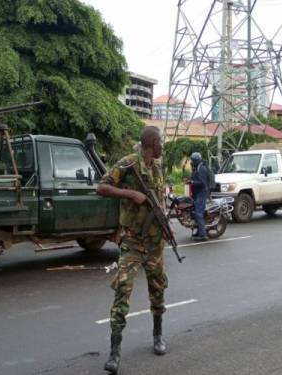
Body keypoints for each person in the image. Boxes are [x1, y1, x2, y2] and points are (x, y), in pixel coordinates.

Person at [97, 126, 168, 374]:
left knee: (158, 289)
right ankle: (114, 353)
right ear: (151, 144)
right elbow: (102, 187)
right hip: (132, 242)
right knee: (122, 292)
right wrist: (131, 194)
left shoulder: (158, 167)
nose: (162, 146)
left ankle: (158, 335)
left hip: (155, 243)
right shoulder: (128, 163)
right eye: (160, 142)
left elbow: (160, 199)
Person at [189, 152, 209, 241]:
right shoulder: (196, 168)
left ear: (196, 160)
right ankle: (199, 232)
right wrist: (190, 180)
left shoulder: (202, 169)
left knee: (198, 213)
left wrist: (192, 182)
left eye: (193, 160)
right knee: (194, 213)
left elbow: (202, 183)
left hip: (201, 194)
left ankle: (203, 235)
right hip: (196, 194)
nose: (191, 162)